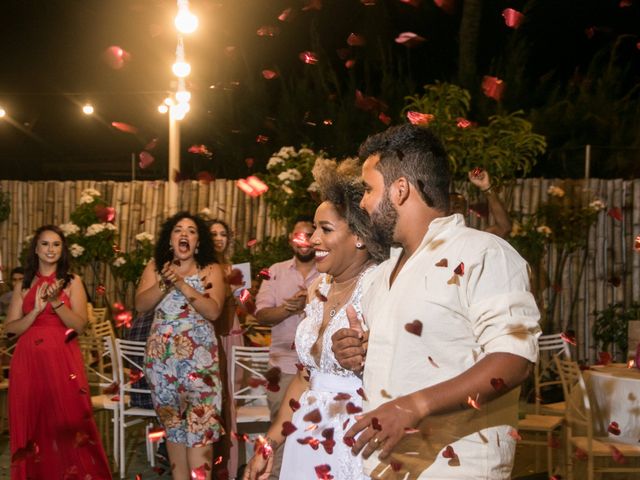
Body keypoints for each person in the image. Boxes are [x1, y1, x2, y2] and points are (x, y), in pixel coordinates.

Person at [333, 124, 541, 479]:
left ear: (400, 190)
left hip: (457, 467)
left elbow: (514, 360)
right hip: (385, 465)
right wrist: (357, 353)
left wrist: (414, 406)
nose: (364, 202)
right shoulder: (382, 275)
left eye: (369, 189)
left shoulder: (483, 253)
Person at [244, 159, 387, 480]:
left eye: (325, 230)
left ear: (360, 236)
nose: (312, 240)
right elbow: (305, 378)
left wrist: (367, 355)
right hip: (307, 431)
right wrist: (269, 444)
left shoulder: (380, 286)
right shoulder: (317, 289)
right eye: (313, 229)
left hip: (357, 433)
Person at [6, 225, 111, 480]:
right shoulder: (24, 284)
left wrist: (55, 302)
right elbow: (10, 329)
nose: (50, 249)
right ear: (36, 249)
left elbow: (80, 325)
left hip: (63, 359)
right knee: (34, 422)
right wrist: (34, 312)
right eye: (45, 244)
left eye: (56, 244)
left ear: (62, 250)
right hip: (28, 360)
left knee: (70, 421)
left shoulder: (73, 281)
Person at [135, 212, 227, 480]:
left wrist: (181, 284)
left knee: (201, 433)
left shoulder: (211, 269)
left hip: (200, 366)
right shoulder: (155, 267)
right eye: (178, 230)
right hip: (162, 365)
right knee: (174, 432)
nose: (184, 234)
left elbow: (213, 311)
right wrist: (165, 281)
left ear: (197, 243)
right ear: (170, 239)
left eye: (191, 230)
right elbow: (140, 306)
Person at [254, 214, 320, 479]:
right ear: (290, 240)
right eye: (297, 235)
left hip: (317, 370)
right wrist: (286, 309)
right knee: (280, 433)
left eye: (308, 234)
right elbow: (261, 313)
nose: (303, 241)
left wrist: (311, 305)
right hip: (281, 368)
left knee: (314, 434)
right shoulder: (276, 271)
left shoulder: (328, 270)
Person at [208, 218, 244, 479]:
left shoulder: (235, 270)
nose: (219, 238)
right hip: (208, 335)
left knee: (228, 399)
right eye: (213, 234)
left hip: (231, 334)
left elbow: (245, 306)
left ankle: (227, 467)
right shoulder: (201, 270)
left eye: (223, 234)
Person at [449, 168, 512, 239]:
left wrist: (486, 187)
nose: (451, 210)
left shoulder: (475, 238)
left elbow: (504, 227)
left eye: (457, 206)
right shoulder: (435, 236)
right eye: (447, 207)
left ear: (466, 211)